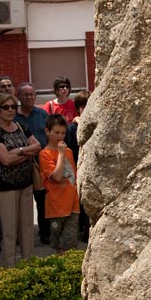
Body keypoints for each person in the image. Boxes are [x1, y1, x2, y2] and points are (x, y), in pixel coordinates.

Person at [0, 92, 41, 267]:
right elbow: (5, 160)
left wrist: (17, 151)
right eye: (6, 107)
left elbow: (38, 146)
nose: (11, 110)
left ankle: (29, 267)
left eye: (13, 106)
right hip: (6, 187)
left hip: (26, 183)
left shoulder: (22, 127)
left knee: (27, 230)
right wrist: (26, 151)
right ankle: (9, 270)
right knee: (10, 232)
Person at [15, 82, 50, 245]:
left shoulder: (43, 114)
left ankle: (45, 233)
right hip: (19, 164)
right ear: (18, 97)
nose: (29, 97)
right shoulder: (13, 116)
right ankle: (22, 236)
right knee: (22, 203)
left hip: (40, 164)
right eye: (25, 95)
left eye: (32, 94)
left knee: (42, 200)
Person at [39, 114, 79, 252]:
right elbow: (56, 177)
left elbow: (74, 176)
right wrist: (61, 154)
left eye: (63, 133)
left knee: (71, 241)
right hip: (57, 206)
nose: (60, 136)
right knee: (58, 244)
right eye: (56, 132)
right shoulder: (45, 154)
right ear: (47, 131)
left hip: (72, 203)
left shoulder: (68, 151)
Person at [65, 90, 90, 242]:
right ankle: (83, 232)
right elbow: (70, 152)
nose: (86, 108)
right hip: (77, 171)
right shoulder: (72, 129)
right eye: (83, 106)